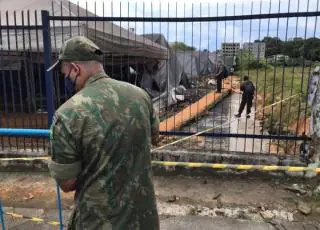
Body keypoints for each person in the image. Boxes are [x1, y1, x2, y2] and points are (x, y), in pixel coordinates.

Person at [47, 36, 160, 230]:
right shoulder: (140, 96)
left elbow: (67, 183)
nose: (65, 80)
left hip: (99, 222)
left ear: (75, 69)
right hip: (144, 219)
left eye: (64, 74)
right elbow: (154, 137)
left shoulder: (68, 114)